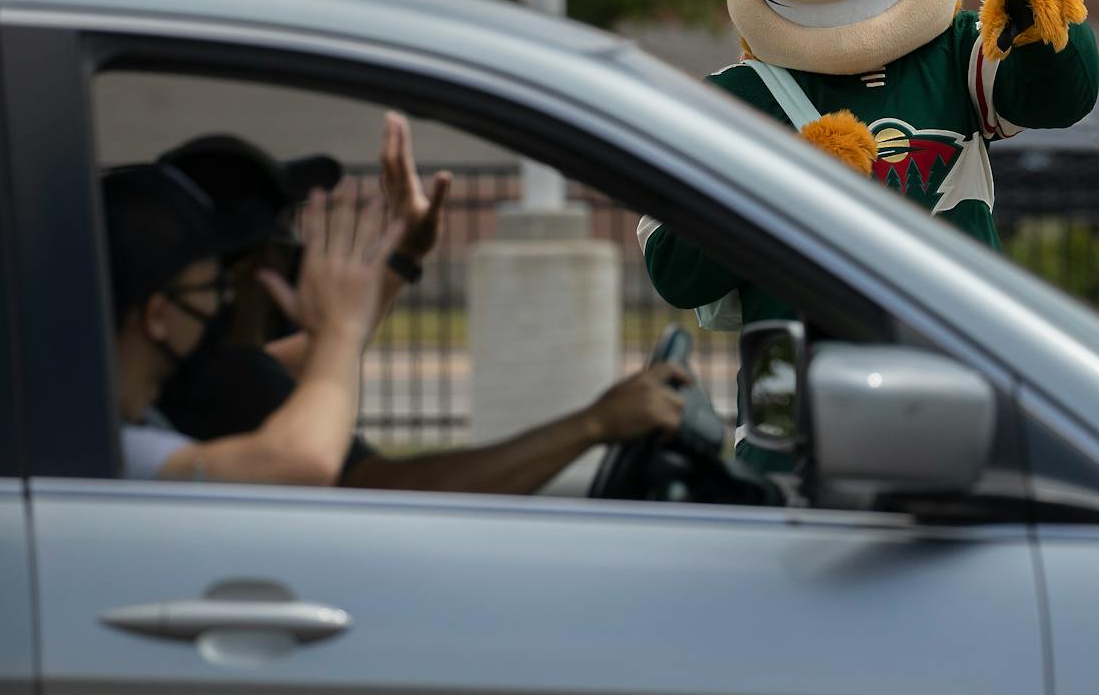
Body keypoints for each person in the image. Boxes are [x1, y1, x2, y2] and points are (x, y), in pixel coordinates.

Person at [111, 113, 691, 492]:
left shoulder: (203, 381)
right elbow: (355, 474)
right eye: (281, 240)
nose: (297, 255)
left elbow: (308, 368)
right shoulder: (209, 393)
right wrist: (592, 423)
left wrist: (399, 263)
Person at [105, 163, 395, 482]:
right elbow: (302, 461)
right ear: (157, 316)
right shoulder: (115, 448)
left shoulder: (130, 422)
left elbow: (281, 361)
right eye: (214, 287)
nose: (223, 301)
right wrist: (342, 330)